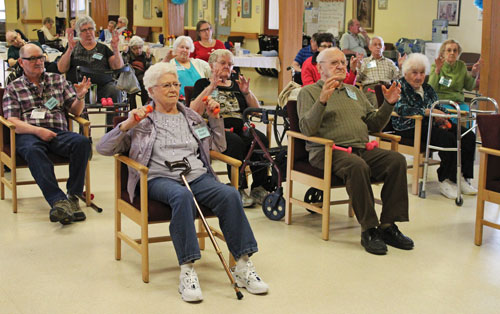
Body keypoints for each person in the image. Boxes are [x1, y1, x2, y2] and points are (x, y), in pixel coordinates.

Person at [96, 62, 268, 302]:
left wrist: (215, 119)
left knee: (229, 194)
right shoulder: (142, 119)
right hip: (158, 178)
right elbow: (103, 148)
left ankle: (242, 264)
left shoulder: (192, 117)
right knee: (181, 196)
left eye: (176, 84)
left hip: (196, 175)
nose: (173, 89)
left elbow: (217, 147)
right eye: (166, 85)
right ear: (151, 90)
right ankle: (187, 269)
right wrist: (127, 125)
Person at [297, 47, 413, 255]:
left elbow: (374, 125)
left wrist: (388, 104)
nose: (341, 66)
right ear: (319, 68)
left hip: (360, 147)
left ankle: (388, 225)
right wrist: (322, 100)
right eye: (334, 63)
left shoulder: (354, 91)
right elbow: (307, 128)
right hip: (328, 151)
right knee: (356, 165)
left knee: (396, 160)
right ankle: (369, 228)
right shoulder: (309, 92)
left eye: (343, 62)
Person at [2, 44, 92, 225]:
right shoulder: (14, 87)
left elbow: (74, 110)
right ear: (21, 62)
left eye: (41, 57)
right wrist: (38, 131)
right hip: (28, 133)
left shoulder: (58, 80)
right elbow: (12, 121)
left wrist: (80, 97)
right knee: (34, 151)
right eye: (33, 59)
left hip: (57, 131)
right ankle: (58, 201)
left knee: (82, 142)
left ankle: (73, 197)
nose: (39, 62)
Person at [190, 49, 268, 208]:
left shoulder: (237, 85)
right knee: (235, 142)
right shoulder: (202, 84)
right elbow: (193, 111)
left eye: (230, 64)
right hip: (214, 130)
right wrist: (211, 86)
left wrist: (246, 93)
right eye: (223, 63)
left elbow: (256, 112)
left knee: (261, 140)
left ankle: (259, 187)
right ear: (212, 65)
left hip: (240, 126)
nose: (227, 67)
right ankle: (238, 187)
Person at [392, 53, 477, 198]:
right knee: (447, 139)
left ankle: (461, 177)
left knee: (468, 135)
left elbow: (439, 106)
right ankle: (445, 180)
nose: (418, 77)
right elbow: (400, 108)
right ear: (406, 73)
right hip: (409, 126)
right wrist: (428, 112)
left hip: (430, 124)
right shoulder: (399, 87)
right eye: (414, 73)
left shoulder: (428, 88)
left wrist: (443, 117)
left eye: (421, 73)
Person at [57, 15, 124, 130]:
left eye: (90, 29)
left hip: (102, 87)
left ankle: (112, 133)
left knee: (115, 90)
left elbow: (117, 66)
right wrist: (69, 50)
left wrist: (116, 49)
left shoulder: (103, 48)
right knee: (75, 95)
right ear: (79, 33)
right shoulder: (73, 47)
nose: (88, 32)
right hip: (79, 88)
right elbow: (61, 69)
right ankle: (86, 134)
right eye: (84, 30)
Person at [428, 39, 481, 122]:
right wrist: (437, 71)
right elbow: (431, 88)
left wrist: (474, 74)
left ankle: (464, 135)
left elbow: (469, 87)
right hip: (442, 101)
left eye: (455, 50)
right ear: (443, 53)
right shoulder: (436, 65)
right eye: (449, 50)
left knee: (468, 116)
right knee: (453, 117)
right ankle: (454, 135)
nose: (452, 53)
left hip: (458, 102)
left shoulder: (461, 66)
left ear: (458, 53)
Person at [357, 36, 406, 106]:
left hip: (387, 88)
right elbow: (357, 79)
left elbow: (398, 78)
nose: (378, 47)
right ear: (370, 47)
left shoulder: (390, 62)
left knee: (400, 102)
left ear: (383, 48)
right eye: (375, 44)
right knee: (377, 100)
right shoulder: (364, 62)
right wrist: (358, 67)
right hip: (371, 89)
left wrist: (401, 67)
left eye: (380, 45)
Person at [122, 36, 152, 109]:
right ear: (131, 48)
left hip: (142, 77)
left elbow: (149, 69)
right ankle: (132, 110)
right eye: (135, 49)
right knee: (132, 90)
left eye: (140, 48)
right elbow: (123, 65)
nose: (138, 51)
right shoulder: (128, 54)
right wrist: (124, 54)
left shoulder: (144, 55)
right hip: (130, 77)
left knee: (146, 88)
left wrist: (148, 59)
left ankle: (145, 108)